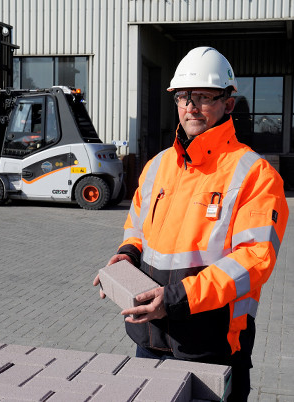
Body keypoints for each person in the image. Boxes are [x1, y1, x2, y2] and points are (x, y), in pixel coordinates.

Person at [93, 47, 289, 401]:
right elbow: (137, 225)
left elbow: (254, 260)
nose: (191, 106)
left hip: (213, 345)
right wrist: (126, 255)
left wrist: (176, 298)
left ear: (228, 104)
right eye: (183, 96)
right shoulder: (157, 166)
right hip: (150, 338)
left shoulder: (255, 175)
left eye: (203, 97)